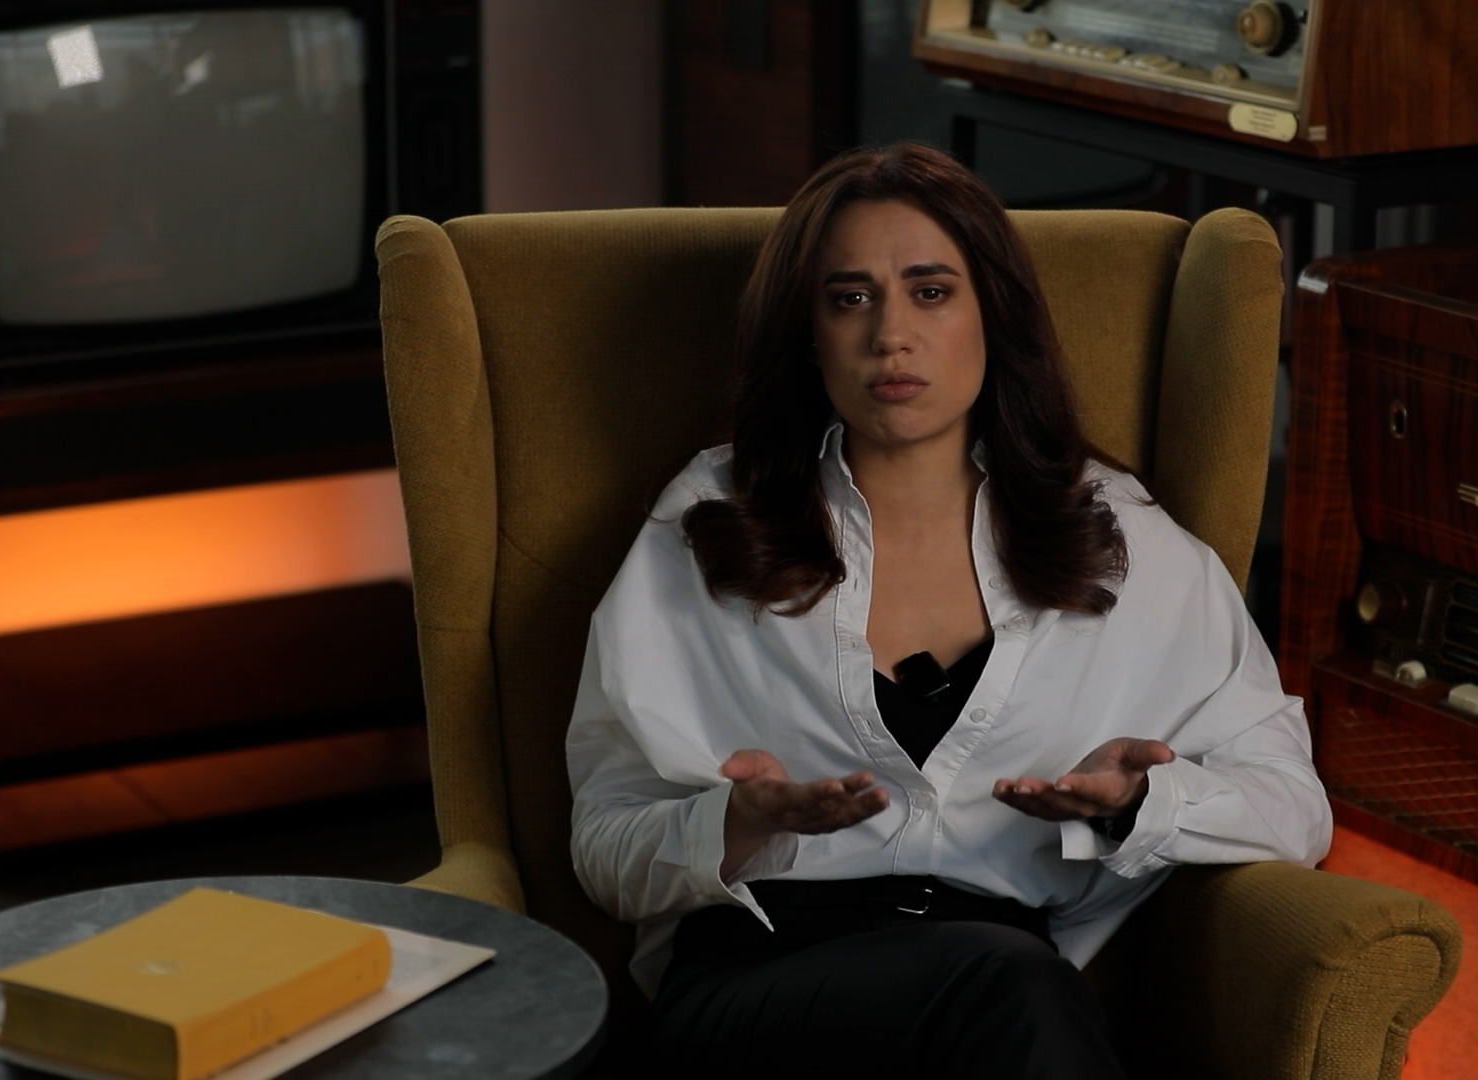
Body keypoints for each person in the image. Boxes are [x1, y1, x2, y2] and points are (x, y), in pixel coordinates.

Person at [566, 142, 1331, 1078]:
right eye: (850, 298)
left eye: (931, 292)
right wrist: (739, 819)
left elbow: (1296, 808)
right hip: (759, 985)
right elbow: (601, 847)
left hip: (1001, 994)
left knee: (1008, 988)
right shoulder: (711, 518)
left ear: (993, 315)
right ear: (807, 333)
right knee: (1011, 989)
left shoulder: (1115, 536)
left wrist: (1140, 805)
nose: (891, 334)